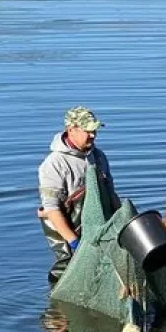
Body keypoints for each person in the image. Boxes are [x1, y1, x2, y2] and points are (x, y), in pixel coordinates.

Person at [37, 106, 119, 284]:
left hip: (99, 225)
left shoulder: (98, 157)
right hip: (68, 229)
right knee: (68, 272)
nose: (92, 135)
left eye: (94, 130)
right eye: (87, 130)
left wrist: (121, 220)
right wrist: (74, 242)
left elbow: (111, 193)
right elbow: (51, 210)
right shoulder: (54, 164)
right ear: (71, 130)